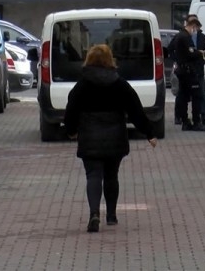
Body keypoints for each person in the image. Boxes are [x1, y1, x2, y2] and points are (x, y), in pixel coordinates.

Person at [64, 44, 158, 233]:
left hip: (90, 137)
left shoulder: (82, 85)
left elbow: (71, 109)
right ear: (110, 60)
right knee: (111, 175)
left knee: (93, 175)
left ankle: (94, 213)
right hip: (115, 136)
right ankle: (112, 215)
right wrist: (149, 133)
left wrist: (71, 130)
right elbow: (135, 110)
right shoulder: (120, 84)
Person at [171, 18, 205, 132]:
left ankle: (185, 121)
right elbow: (190, 53)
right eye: (195, 28)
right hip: (188, 72)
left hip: (182, 71)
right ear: (192, 26)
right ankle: (196, 122)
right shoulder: (185, 37)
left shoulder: (180, 36)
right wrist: (200, 53)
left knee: (183, 97)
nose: (196, 31)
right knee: (197, 96)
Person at [187, 14, 205, 126]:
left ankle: (204, 116)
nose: (194, 28)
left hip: (199, 70)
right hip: (188, 70)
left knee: (202, 95)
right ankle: (182, 117)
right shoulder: (185, 36)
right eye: (192, 24)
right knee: (184, 95)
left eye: (196, 25)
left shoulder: (202, 37)